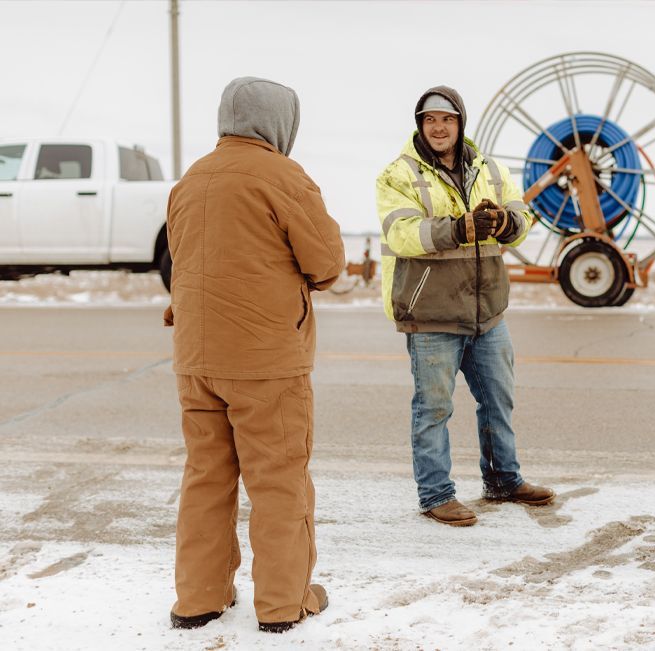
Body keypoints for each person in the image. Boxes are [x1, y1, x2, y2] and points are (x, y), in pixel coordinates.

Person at [164, 77, 345, 631]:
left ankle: (199, 598)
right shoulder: (282, 176)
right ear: (280, 123)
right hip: (265, 360)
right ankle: (283, 603)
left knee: (206, 478)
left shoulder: (190, 179)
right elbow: (328, 263)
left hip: (196, 359)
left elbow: (181, 262)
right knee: (278, 479)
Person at [374, 86, 555, 526]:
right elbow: (402, 234)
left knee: (498, 399)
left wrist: (506, 222)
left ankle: (503, 480)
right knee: (434, 408)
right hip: (431, 312)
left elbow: (523, 215)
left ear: (461, 124)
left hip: (486, 310)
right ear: (420, 124)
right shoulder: (398, 175)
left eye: (447, 119)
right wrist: (458, 229)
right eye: (430, 119)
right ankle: (437, 494)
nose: (439, 127)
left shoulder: (488, 169)